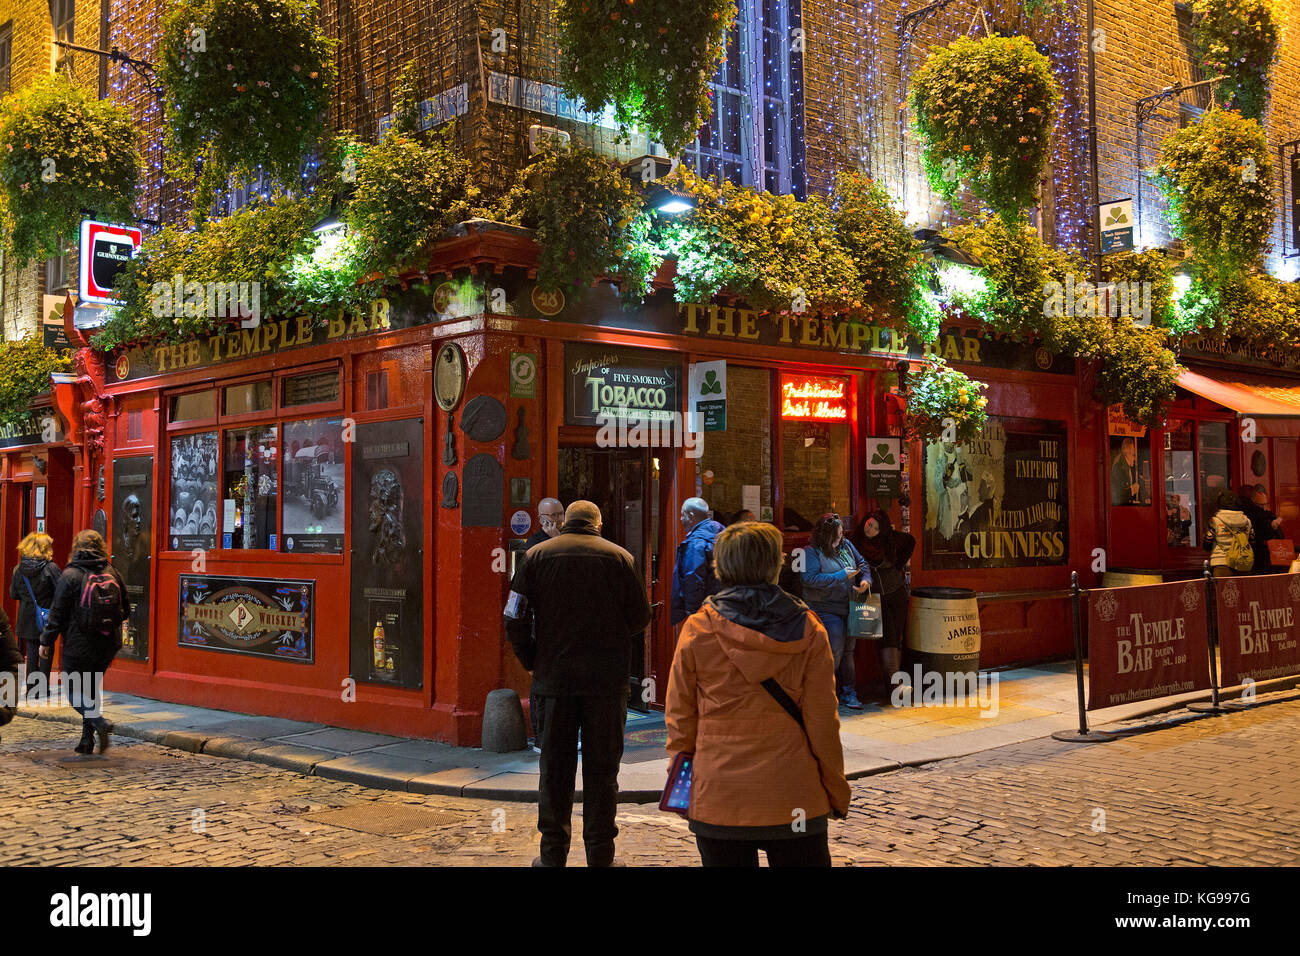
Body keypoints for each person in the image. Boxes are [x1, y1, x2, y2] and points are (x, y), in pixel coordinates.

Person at [665, 521, 850, 867]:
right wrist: (836, 790)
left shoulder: (698, 628)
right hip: (794, 794)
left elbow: (680, 722)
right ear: (774, 564)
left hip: (719, 796)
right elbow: (824, 722)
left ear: (721, 565)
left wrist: (681, 791)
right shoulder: (809, 628)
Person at [504, 501, 651, 868]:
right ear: (598, 525)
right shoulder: (621, 558)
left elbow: (513, 617)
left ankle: (552, 855)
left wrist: (532, 659)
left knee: (554, 771)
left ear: (565, 522)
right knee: (603, 772)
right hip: (606, 683)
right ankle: (601, 855)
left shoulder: (535, 556)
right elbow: (640, 617)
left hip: (554, 681)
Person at [38, 530, 131, 754]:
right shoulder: (112, 571)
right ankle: (86, 740)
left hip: (78, 644)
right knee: (90, 688)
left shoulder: (70, 575)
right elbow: (126, 610)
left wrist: (46, 641)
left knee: (72, 690)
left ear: (76, 548)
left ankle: (99, 722)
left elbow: (57, 613)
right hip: (107, 644)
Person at [799, 513, 872, 710]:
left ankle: (849, 692)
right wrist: (841, 575)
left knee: (848, 652)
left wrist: (866, 581)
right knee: (834, 651)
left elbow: (863, 564)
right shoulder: (810, 552)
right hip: (825, 608)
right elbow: (809, 579)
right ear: (826, 535)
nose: (841, 537)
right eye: (837, 535)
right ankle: (822, 692)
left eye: (841, 533)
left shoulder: (846, 545)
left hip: (849, 605)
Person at [854, 510, 915, 702]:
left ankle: (893, 687)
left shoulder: (891, 539)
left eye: (875, 527)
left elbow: (911, 541)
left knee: (896, 637)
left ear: (882, 530)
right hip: (875, 596)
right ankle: (895, 686)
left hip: (896, 592)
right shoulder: (856, 540)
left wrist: (898, 565)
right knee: (887, 638)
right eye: (869, 524)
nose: (869, 529)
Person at [522, 497, 565, 752]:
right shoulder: (534, 544)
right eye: (553, 516)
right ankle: (540, 737)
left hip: (564, 621)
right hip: (542, 622)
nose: (558, 520)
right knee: (541, 679)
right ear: (541, 519)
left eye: (561, 514)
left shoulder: (567, 539)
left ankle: (561, 734)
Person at [10, 532, 61, 698]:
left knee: (31, 651)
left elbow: (13, 594)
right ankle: (43, 688)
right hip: (47, 617)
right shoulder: (51, 568)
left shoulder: (19, 569)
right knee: (46, 649)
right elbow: (61, 592)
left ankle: (32, 688)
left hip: (27, 617)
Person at [670, 498, 725, 628]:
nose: (681, 519)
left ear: (691, 516)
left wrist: (693, 614)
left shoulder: (696, 543)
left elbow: (693, 580)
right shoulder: (723, 535)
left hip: (705, 613)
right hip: (723, 607)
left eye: (682, 515)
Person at [1204, 491, 1254, 578]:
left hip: (1221, 564)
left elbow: (1207, 545)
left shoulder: (1214, 521)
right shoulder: (1247, 522)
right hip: (1243, 564)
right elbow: (1252, 542)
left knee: (1224, 587)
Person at [1238, 484, 1283, 573]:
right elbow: (1264, 534)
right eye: (1261, 505)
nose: (1264, 507)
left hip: (1252, 556)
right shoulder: (1256, 514)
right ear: (1253, 500)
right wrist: (1272, 527)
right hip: (1261, 556)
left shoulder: (1244, 513)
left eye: (1265, 504)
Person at [1110, 437, 1147, 506]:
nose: (1134, 459)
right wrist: (1132, 490)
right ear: (1127, 453)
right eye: (1133, 455)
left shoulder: (1127, 467)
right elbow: (1118, 495)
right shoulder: (1119, 468)